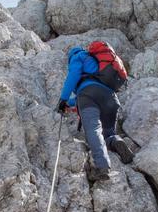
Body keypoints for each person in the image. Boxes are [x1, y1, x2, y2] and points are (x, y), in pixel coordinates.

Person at [57, 45, 134, 181]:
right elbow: (87, 92)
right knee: (108, 133)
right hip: (110, 99)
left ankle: (102, 166)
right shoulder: (96, 64)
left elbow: (74, 76)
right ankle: (116, 142)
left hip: (89, 96)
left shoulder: (77, 57)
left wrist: (62, 100)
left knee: (93, 130)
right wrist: (69, 103)